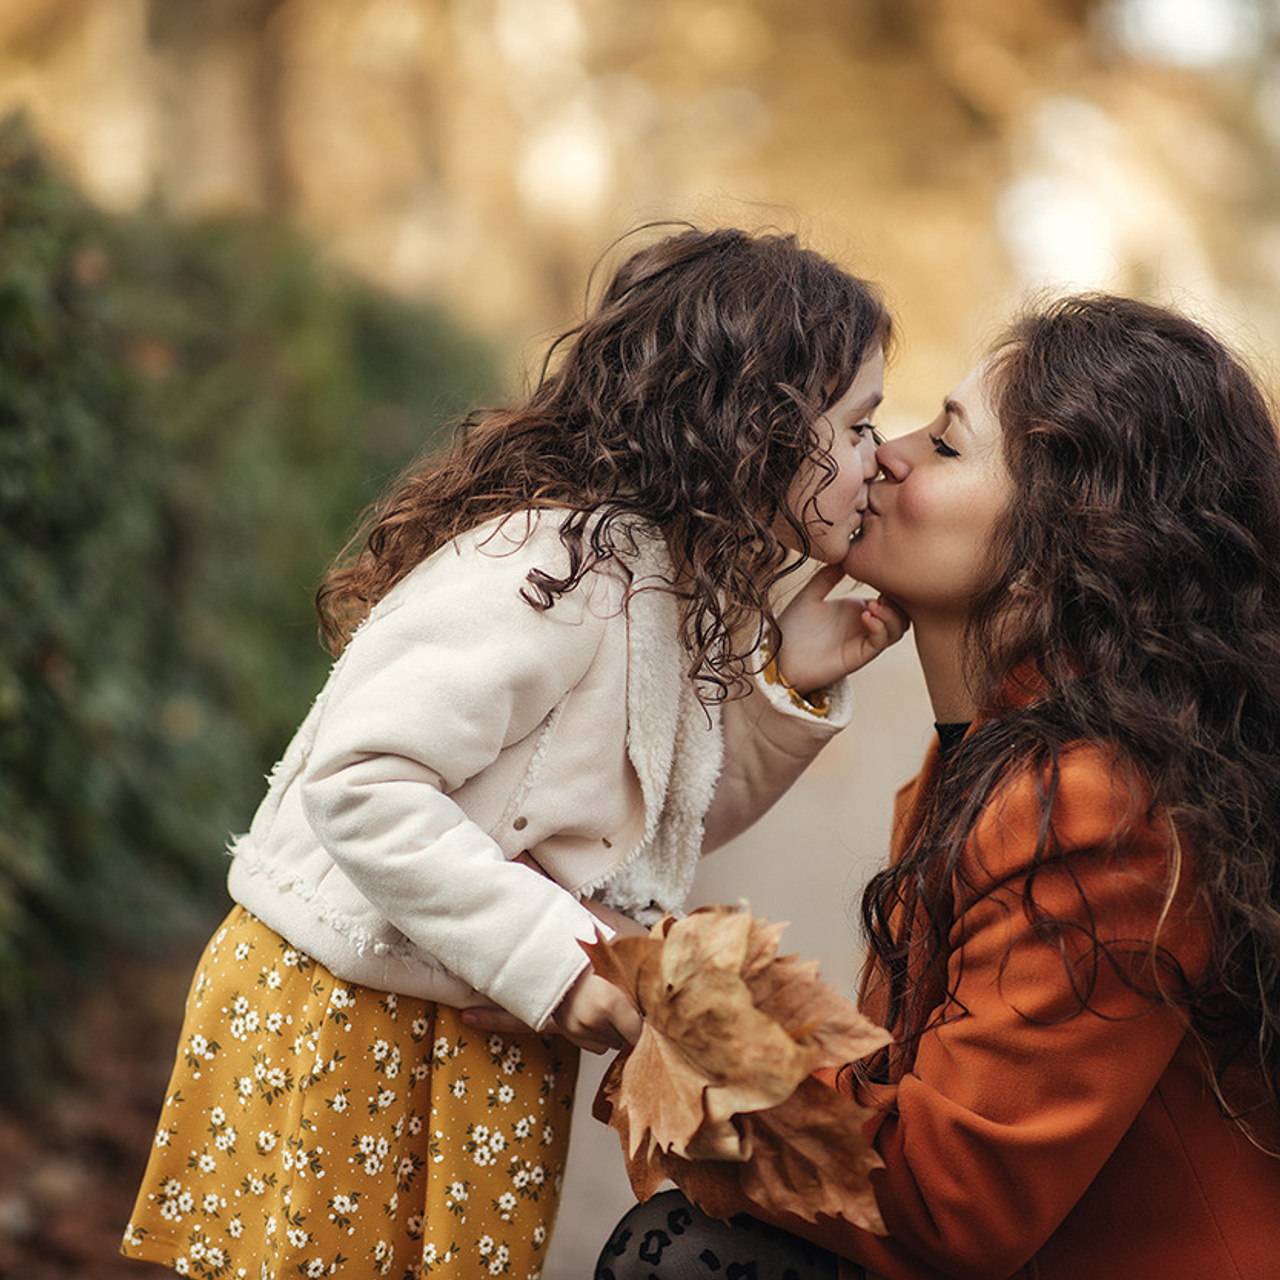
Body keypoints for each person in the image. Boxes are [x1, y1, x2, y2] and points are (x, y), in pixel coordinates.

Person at [120, 225, 908, 1280]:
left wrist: (784, 684)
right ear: (754, 426)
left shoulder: (666, 582)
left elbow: (645, 836)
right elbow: (357, 784)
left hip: (470, 1024)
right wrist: (559, 965)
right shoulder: (550, 567)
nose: (879, 456)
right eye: (857, 424)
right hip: (353, 1012)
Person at [596, 294, 1280, 1280]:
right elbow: (897, 1091)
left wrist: (666, 1013)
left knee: (678, 1257)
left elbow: (945, 1191)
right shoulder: (983, 762)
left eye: (946, 444)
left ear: (1060, 550)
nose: (886, 454)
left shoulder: (1096, 803)